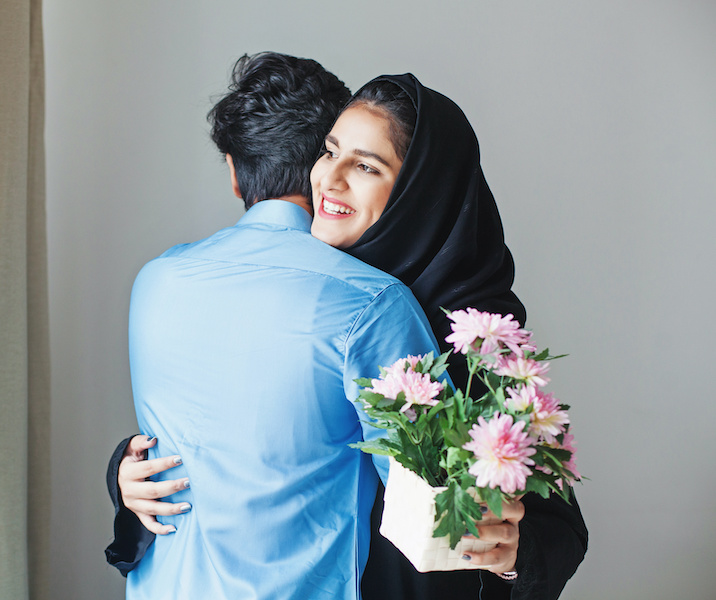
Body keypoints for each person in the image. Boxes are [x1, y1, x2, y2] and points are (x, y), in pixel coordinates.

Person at [109, 57, 588, 598]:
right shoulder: (332, 295)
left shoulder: (475, 330)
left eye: (366, 166)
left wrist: (509, 552)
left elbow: (558, 527)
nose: (327, 181)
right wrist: (129, 471)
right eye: (328, 152)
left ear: (418, 193)